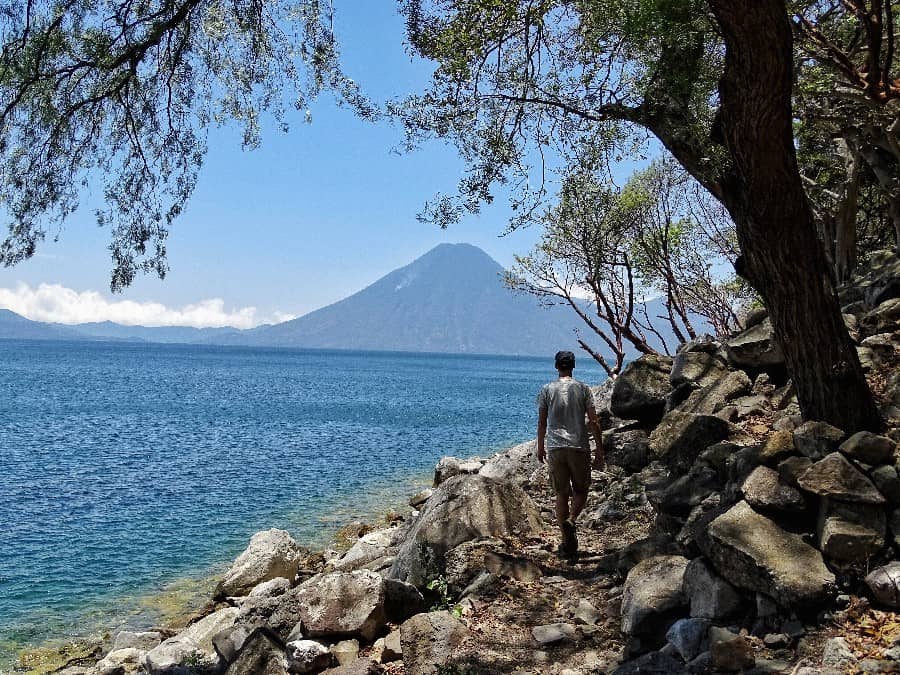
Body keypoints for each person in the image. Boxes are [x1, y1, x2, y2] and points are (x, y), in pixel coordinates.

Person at [536, 350, 604, 558]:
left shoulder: (547, 389)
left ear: (557, 367)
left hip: (556, 447)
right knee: (581, 490)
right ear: (573, 366)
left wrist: (540, 446)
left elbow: (542, 422)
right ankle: (572, 520)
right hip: (579, 447)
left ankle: (566, 543)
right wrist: (600, 448)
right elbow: (593, 421)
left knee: (561, 494)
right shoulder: (583, 389)